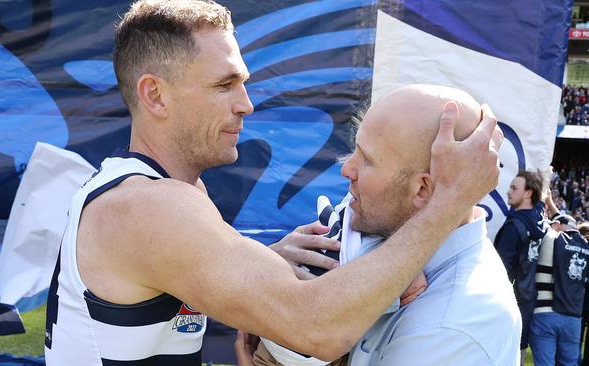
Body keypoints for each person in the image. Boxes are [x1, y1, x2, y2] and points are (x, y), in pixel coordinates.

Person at [43, 1, 503, 365]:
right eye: (225, 85)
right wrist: (449, 202)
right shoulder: (146, 207)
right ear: (155, 95)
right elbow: (318, 329)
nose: (246, 104)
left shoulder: (167, 195)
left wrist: (264, 263)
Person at [242, 85, 521, 366]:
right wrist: (276, 270)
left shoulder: (454, 324)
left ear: (422, 189)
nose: (347, 169)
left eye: (367, 159)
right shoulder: (380, 225)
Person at [494, 170, 548, 364]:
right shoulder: (540, 222)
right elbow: (539, 207)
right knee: (519, 353)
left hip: (508, 301)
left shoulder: (513, 227)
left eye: (514, 188)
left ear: (528, 194)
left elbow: (501, 272)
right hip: (528, 300)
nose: (509, 192)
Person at [532, 214, 589, 366]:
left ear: (558, 224)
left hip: (545, 313)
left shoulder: (551, 238)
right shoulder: (586, 246)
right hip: (573, 318)